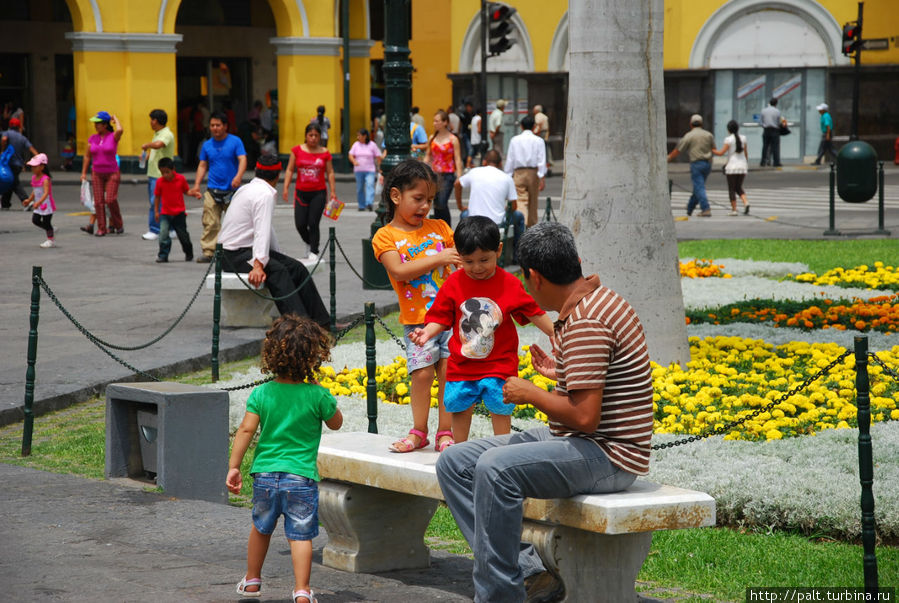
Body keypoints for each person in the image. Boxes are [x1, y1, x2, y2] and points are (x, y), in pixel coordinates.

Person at [436, 222, 654, 603]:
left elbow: (585, 417)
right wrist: (560, 374)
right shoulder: (593, 301)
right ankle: (528, 572)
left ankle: (499, 593)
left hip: (609, 454)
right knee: (455, 462)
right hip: (579, 441)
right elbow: (598, 387)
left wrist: (532, 392)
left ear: (533, 278)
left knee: (494, 469)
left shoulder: (587, 320)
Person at [227, 314, 343, 603]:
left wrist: (234, 467)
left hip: (265, 475)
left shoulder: (262, 393)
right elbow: (336, 423)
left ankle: (252, 580)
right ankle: (302, 590)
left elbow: (245, 429)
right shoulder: (317, 395)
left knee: (261, 527)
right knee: (301, 535)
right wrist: (321, 392)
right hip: (301, 477)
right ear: (313, 356)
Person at [409, 216, 553, 443]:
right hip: (462, 364)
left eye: (484, 260)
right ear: (458, 255)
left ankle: (503, 448)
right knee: (460, 409)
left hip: (499, 364)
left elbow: (533, 312)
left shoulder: (510, 283)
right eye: (468, 261)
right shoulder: (454, 283)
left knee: (501, 408)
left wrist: (554, 331)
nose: (476, 268)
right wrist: (427, 332)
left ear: (499, 250)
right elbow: (440, 316)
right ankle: (459, 449)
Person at [371, 159, 460, 453]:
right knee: (421, 374)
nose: (425, 207)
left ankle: (445, 432)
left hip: (450, 317)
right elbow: (398, 271)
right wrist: (440, 257)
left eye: (430, 200)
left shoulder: (441, 227)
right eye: (418, 199)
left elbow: (458, 264)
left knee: (449, 372)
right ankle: (419, 431)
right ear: (396, 196)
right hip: (418, 322)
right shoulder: (385, 236)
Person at [218, 153, 330, 328]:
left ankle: (323, 323)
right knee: (279, 272)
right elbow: (262, 231)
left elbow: (265, 229)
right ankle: (300, 327)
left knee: (297, 268)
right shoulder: (264, 194)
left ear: (256, 171)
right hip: (233, 255)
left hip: (240, 251)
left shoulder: (247, 188)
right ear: (278, 175)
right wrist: (258, 264)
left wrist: (278, 256)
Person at [188, 111, 247, 263]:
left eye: (218, 125)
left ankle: (235, 251)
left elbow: (242, 159)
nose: (215, 128)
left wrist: (238, 176)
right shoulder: (207, 145)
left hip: (232, 191)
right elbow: (202, 165)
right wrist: (196, 185)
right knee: (210, 222)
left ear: (225, 126)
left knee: (236, 222)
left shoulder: (235, 141)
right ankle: (209, 252)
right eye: (212, 125)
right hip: (212, 190)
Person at [454, 149, 525, 263]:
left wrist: (460, 205)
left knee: (464, 214)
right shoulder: (507, 178)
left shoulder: (474, 172)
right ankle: (518, 257)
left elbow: (457, 183)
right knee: (519, 216)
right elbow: (514, 206)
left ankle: (463, 252)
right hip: (497, 222)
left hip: (473, 220)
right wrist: (505, 208)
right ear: (500, 163)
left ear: (484, 162)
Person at [283, 123, 337, 263]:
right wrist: (285, 187)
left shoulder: (325, 153)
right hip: (301, 192)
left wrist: (333, 192)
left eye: (316, 136)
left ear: (320, 137)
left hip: (318, 193)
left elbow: (330, 172)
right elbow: (289, 169)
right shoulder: (297, 151)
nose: (313, 138)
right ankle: (309, 242)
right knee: (300, 224)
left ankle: (314, 250)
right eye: (310, 135)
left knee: (313, 223)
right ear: (306, 136)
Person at [81, 110, 125, 236]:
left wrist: (115, 118)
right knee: (98, 202)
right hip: (97, 173)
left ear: (105, 125)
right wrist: (83, 173)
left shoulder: (113, 136)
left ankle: (118, 223)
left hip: (112, 172)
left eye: (98, 123)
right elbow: (87, 156)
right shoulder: (92, 138)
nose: (95, 126)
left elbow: (120, 130)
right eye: (95, 123)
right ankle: (101, 228)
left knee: (110, 199)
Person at [666, 114, 715, 217]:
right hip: (707, 164)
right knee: (698, 187)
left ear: (690, 124)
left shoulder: (689, 135)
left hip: (696, 164)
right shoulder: (708, 135)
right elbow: (713, 148)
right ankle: (690, 208)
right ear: (701, 124)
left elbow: (678, 150)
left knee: (699, 187)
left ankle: (705, 208)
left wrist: (668, 158)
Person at [504, 114, 546, 227]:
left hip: (519, 172)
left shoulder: (514, 140)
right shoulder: (539, 140)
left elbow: (510, 159)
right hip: (533, 173)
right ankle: (532, 226)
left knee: (521, 200)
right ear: (533, 127)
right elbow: (541, 159)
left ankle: (523, 224)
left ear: (521, 126)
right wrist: (542, 176)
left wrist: (508, 174)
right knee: (533, 202)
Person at [140, 109, 176, 241]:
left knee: (155, 202)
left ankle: (155, 229)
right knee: (165, 202)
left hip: (159, 174)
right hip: (155, 172)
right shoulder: (158, 133)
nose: (150, 122)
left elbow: (159, 145)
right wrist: (147, 155)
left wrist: (147, 145)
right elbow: (158, 150)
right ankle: (171, 228)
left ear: (157, 121)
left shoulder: (166, 134)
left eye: (152, 119)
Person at [424, 110, 463, 226]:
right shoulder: (432, 138)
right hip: (434, 175)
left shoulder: (453, 139)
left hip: (447, 175)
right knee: (435, 203)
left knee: (441, 202)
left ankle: (446, 229)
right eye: (434, 121)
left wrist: (459, 176)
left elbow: (457, 158)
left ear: (445, 122)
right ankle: (438, 229)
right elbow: (428, 156)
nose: (434, 123)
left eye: (437, 121)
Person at [152, 157, 194, 263]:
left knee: (183, 236)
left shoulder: (181, 179)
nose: (165, 175)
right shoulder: (160, 182)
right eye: (163, 173)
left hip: (179, 213)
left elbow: (186, 191)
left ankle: (188, 252)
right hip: (165, 213)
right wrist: (156, 211)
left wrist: (194, 193)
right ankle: (163, 255)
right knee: (163, 234)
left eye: (167, 172)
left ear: (173, 169)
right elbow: (157, 197)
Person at [713, 120, 750, 216]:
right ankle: (746, 202)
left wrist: (712, 150)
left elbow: (721, 153)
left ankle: (734, 209)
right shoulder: (743, 138)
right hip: (742, 166)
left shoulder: (728, 139)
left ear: (728, 129)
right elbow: (746, 153)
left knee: (732, 189)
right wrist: (746, 163)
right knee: (738, 187)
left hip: (732, 167)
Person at [0, 117, 38, 210]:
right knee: (10, 182)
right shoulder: (22, 138)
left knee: (14, 182)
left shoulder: (6, 133)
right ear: (19, 127)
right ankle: (5, 204)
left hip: (8, 164)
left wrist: (2, 150)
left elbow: (4, 139)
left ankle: (26, 200)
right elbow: (32, 149)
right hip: (18, 165)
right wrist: (39, 159)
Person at [22, 153, 56, 248]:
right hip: (38, 204)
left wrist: (39, 202)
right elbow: (35, 190)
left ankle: (50, 240)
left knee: (46, 222)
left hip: (46, 204)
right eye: (32, 166)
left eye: (35, 166)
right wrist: (29, 200)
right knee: (35, 220)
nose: (32, 168)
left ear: (42, 167)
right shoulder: (34, 178)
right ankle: (50, 230)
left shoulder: (45, 179)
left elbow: (46, 193)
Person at [348, 128, 381, 211]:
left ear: (365, 136)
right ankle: (361, 205)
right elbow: (350, 155)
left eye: (359, 135)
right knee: (360, 188)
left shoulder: (372, 145)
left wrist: (380, 168)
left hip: (370, 169)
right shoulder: (356, 145)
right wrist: (354, 161)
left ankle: (369, 203)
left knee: (370, 185)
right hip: (359, 170)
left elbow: (378, 156)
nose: (358, 137)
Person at [758, 98, 783, 167]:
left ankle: (763, 162)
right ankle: (776, 162)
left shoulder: (763, 110)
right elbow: (779, 122)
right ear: (776, 104)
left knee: (765, 146)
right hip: (775, 130)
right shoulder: (777, 111)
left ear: (769, 103)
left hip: (766, 130)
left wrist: (764, 125)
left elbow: (760, 121)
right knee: (775, 147)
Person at [532, 104, 552, 169]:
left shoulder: (537, 116)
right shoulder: (545, 116)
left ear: (536, 110)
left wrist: (534, 133)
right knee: (546, 148)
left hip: (540, 133)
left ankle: (542, 163)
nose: (533, 111)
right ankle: (548, 162)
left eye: (534, 109)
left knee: (540, 149)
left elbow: (538, 125)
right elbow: (548, 127)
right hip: (545, 133)